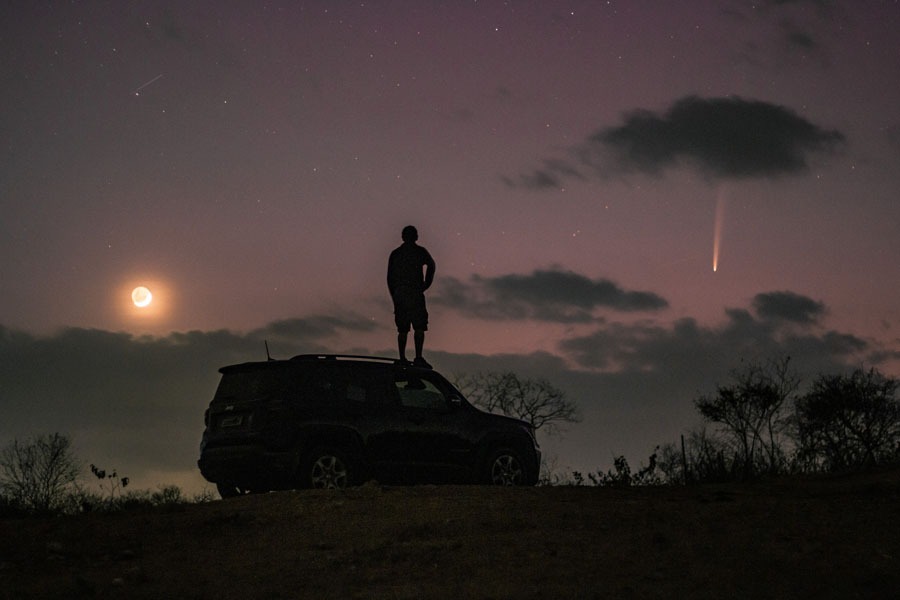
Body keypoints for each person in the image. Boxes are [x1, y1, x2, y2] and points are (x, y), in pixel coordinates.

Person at [387, 225, 436, 367]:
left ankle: (405, 357)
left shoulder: (397, 253)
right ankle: (416, 356)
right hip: (412, 292)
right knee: (416, 326)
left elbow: (390, 278)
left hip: (403, 293)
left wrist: (394, 295)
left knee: (405, 328)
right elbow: (432, 265)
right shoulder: (418, 252)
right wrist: (426, 284)